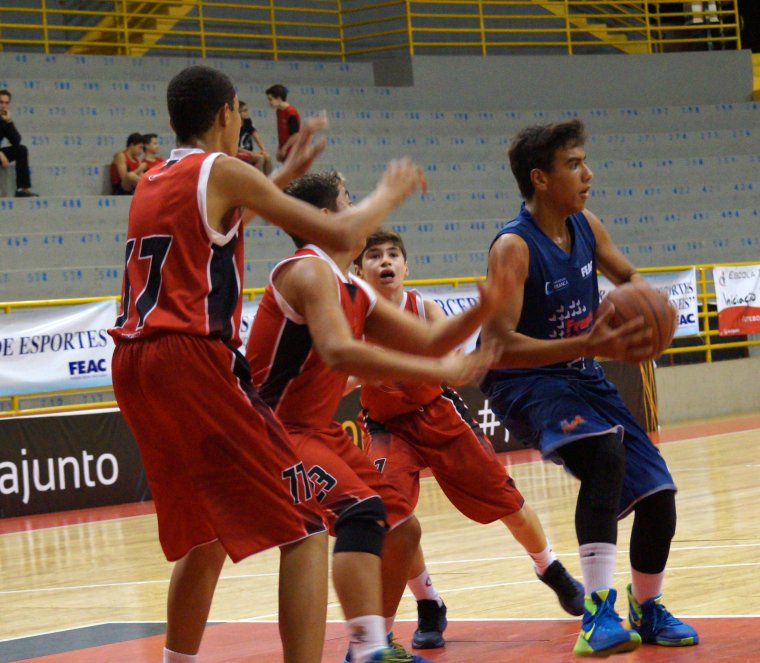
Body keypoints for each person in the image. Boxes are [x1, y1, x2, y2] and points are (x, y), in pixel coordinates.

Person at [108, 64, 426, 663]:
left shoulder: (155, 177)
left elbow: (220, 222)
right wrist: (392, 190)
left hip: (133, 362)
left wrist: (283, 176)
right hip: (193, 358)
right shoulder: (223, 170)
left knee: (203, 538)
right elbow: (342, 228)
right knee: (304, 526)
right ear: (228, 113)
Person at [246, 171, 501, 663]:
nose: (361, 209)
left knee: (401, 529)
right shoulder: (306, 269)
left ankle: (372, 641)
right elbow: (341, 353)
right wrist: (437, 367)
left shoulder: (351, 288)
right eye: (350, 200)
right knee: (357, 513)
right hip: (273, 433)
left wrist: (486, 308)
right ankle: (367, 648)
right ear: (327, 219)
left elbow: (429, 339)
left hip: (314, 432)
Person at [478, 119, 699, 657]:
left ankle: (647, 609)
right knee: (604, 454)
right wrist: (586, 344)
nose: (588, 174)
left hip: (579, 373)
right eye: (574, 164)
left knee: (659, 493)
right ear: (541, 178)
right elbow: (499, 346)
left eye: (585, 161)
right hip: (522, 380)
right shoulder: (513, 247)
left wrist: (652, 310)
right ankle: (597, 613)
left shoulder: (586, 225)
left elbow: (630, 278)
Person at [352, 228, 585, 650]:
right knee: (393, 519)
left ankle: (548, 566)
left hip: (437, 415)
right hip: (389, 428)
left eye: (392, 254)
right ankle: (428, 603)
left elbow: (453, 363)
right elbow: (339, 371)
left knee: (507, 502)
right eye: (374, 255)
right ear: (358, 269)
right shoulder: (351, 320)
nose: (384, 261)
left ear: (406, 267)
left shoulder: (423, 309)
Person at [0, 89, 38, 197]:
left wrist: (9, 122)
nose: (3, 105)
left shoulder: (4, 120)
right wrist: (1, 155)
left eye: (6, 103)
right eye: (1, 102)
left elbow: (16, 141)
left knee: (21, 150)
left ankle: (22, 189)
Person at [266, 83, 300, 163]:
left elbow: (295, 135)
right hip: (285, 149)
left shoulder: (291, 112)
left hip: (293, 150)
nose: (269, 102)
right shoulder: (279, 111)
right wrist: (280, 149)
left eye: (271, 99)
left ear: (278, 98)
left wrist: (284, 148)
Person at [237, 100, 272, 174]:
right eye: (244, 111)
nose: (247, 112)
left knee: (267, 157)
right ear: (238, 113)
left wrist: (263, 149)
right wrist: (251, 153)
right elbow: (236, 147)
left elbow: (256, 136)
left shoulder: (248, 122)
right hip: (237, 154)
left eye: (247, 110)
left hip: (249, 153)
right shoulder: (234, 126)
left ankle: (268, 182)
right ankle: (256, 183)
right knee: (260, 158)